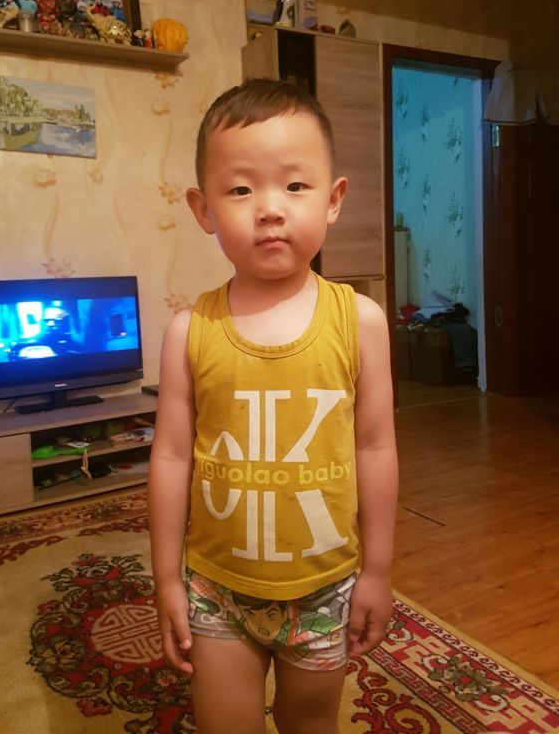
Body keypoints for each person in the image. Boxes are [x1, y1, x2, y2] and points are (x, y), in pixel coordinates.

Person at [148, 78, 399, 734]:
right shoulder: (188, 331)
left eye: (294, 185)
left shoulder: (361, 322)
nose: (269, 209)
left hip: (325, 588)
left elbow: (375, 447)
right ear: (203, 209)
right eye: (240, 189)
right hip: (217, 589)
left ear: (333, 199)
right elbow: (171, 457)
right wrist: (167, 578)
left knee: (309, 725)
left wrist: (377, 571)